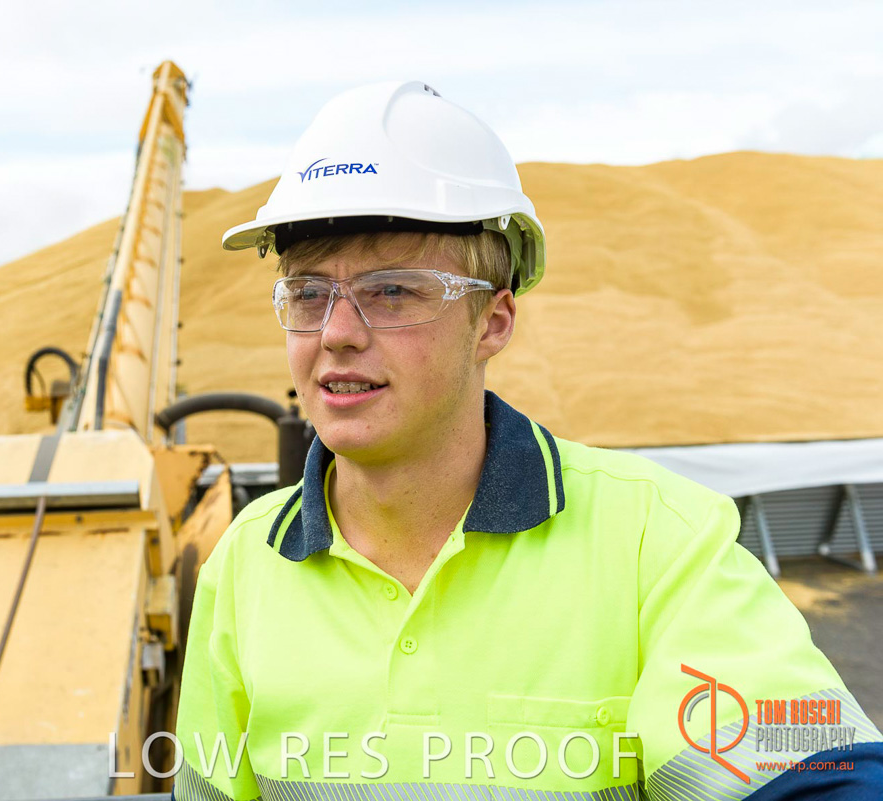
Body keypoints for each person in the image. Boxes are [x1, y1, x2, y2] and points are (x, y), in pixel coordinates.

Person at [171, 81, 882, 800]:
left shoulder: (655, 540)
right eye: (307, 293)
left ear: (493, 322)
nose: (337, 333)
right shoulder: (245, 564)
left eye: (393, 292)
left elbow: (818, 778)